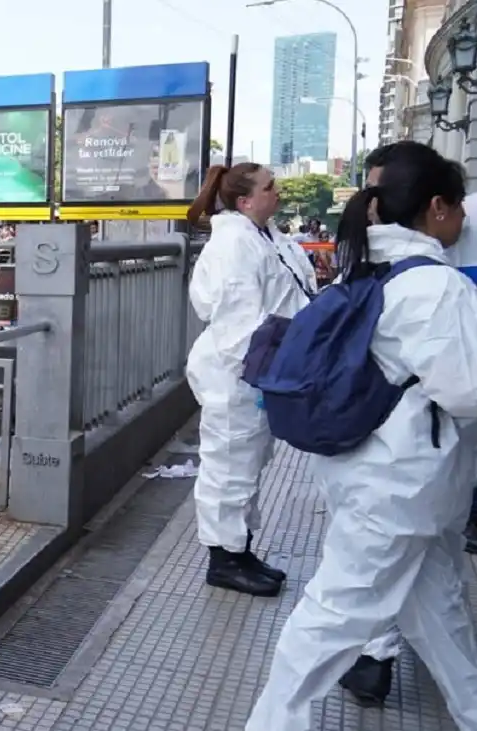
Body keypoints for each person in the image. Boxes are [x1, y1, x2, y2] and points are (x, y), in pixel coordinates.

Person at [245, 142, 477, 731]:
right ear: (438, 207)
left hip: (373, 472)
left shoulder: (372, 269)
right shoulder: (435, 287)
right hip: (401, 487)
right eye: (459, 206)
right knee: (333, 617)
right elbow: (466, 391)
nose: (464, 218)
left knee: (440, 611)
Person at [184, 163, 316, 598]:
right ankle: (223, 560)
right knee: (228, 466)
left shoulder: (264, 236)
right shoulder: (234, 243)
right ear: (245, 201)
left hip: (258, 368)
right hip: (238, 371)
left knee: (248, 463)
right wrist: (271, 370)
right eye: (269, 187)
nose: (276, 192)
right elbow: (238, 319)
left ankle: (239, 550)